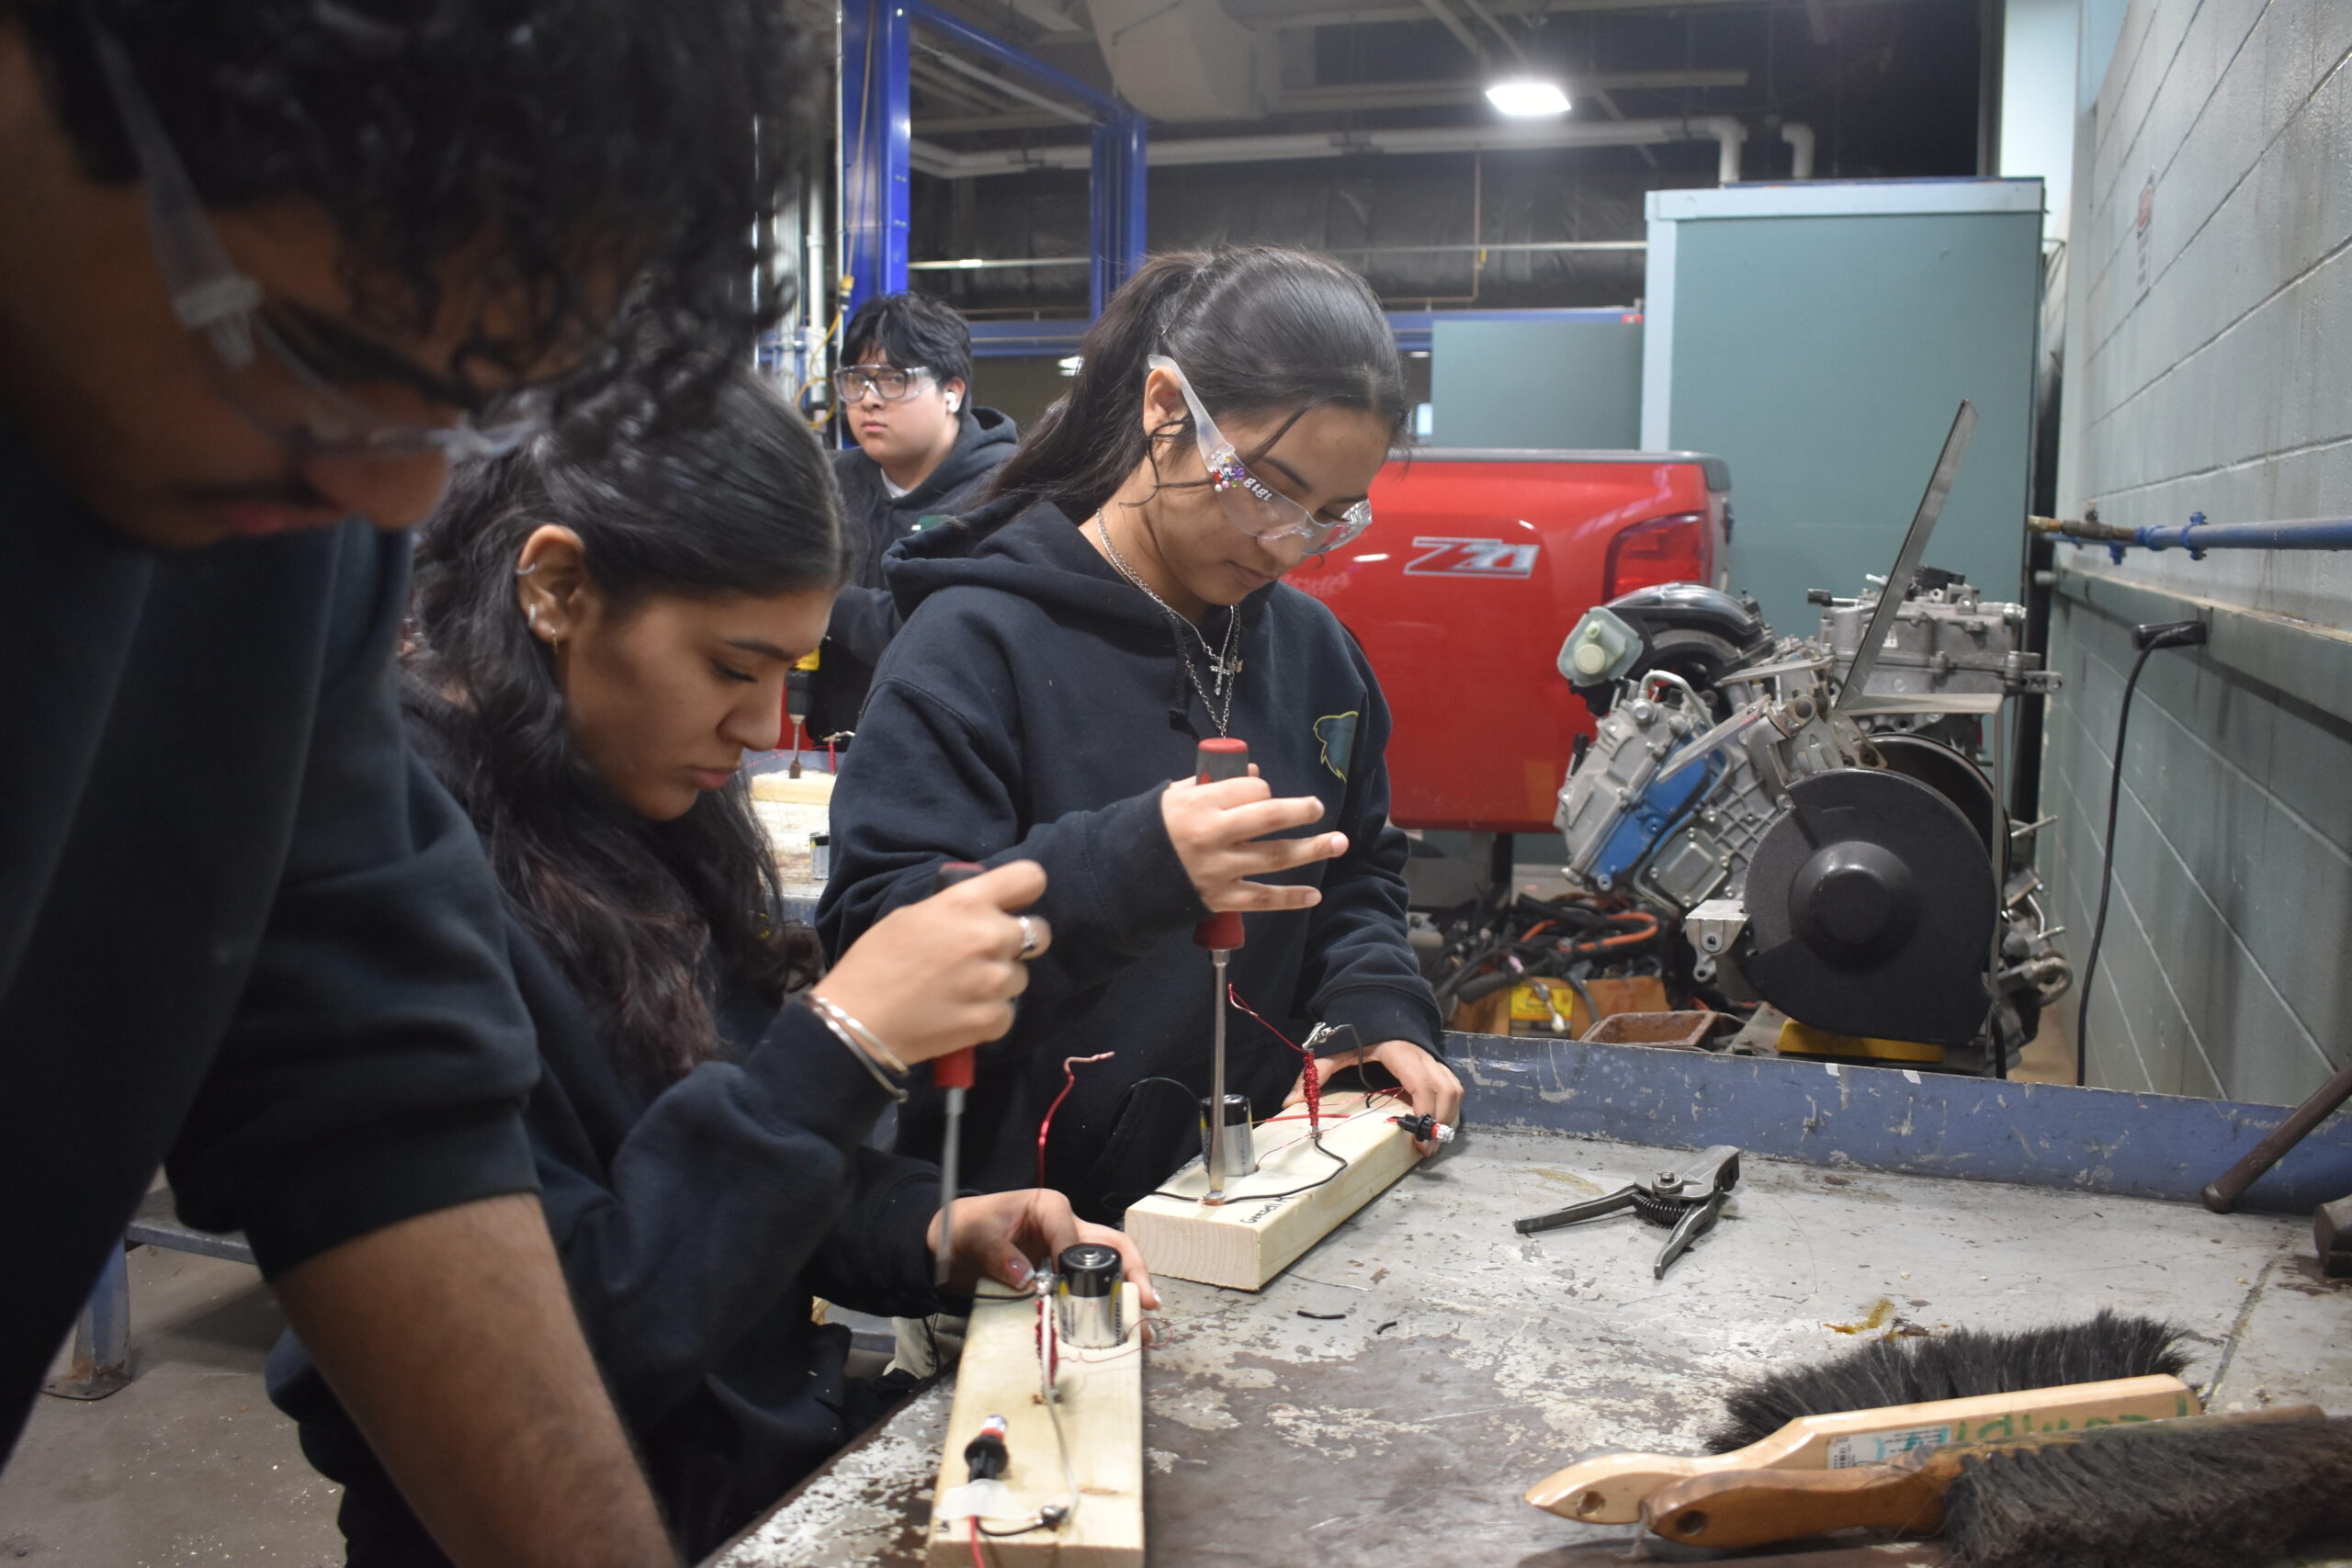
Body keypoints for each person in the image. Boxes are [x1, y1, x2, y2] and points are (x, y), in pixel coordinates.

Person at [0, 4, 808, 1563]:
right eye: (320, 355)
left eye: (463, 405)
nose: (389, 495)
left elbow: (361, 1059)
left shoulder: (282, 509)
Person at [270, 367, 1152, 1563]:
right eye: (731, 667)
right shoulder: (379, 882)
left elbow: (724, 1165)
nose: (758, 726)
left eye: (785, 676)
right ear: (556, 586)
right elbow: (569, 1348)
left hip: (742, 1501)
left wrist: (933, 1229)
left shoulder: (634, 804)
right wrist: (843, 1043)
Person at [819, 247, 1463, 1224]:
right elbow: (878, 942)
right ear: (1166, 407)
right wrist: (1127, 869)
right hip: (1028, 1241)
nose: (1288, 543)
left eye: (1330, 517)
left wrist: (1372, 1013)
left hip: (1260, 1208)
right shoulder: (972, 645)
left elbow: (1356, 874)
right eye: (1268, 488)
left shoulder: (1317, 655)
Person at [811, 291, 1017, 739]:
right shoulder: (828, 482)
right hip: (827, 749)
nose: (868, 399)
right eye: (856, 380)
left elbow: (927, 631)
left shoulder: (1003, 494)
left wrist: (812, 594)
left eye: (893, 380)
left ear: (951, 392)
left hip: (947, 748)